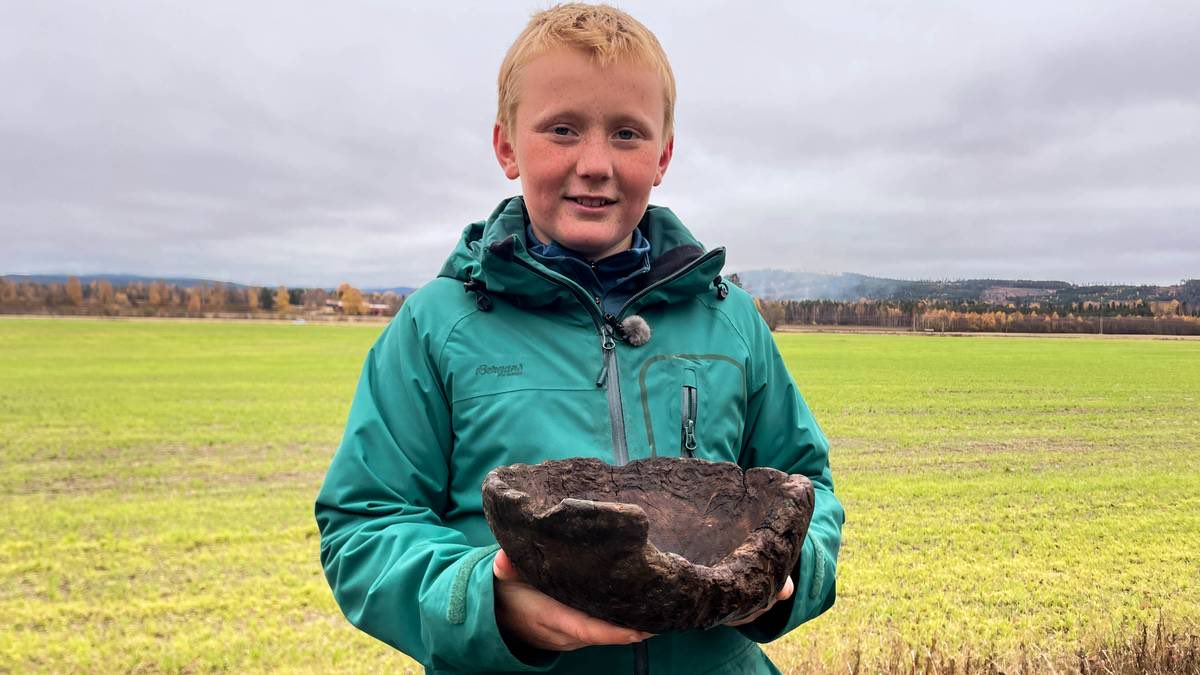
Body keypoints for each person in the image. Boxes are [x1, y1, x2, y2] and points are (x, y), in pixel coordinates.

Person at [315, 4, 844, 673]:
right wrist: (488, 602)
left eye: (627, 134)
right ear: (507, 146)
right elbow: (363, 522)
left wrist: (787, 579)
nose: (595, 162)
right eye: (562, 129)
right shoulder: (436, 327)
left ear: (664, 155)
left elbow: (808, 488)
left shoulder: (730, 319)